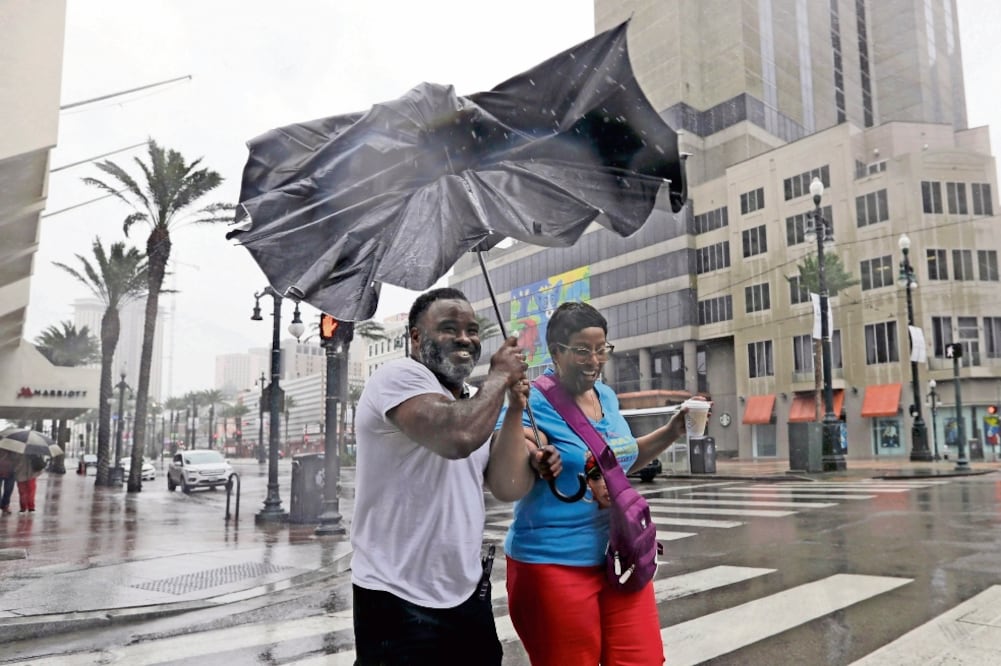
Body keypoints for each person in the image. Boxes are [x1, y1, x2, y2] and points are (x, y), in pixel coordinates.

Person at [350, 287, 561, 666]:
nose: (465, 338)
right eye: (449, 328)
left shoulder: (472, 401)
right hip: (397, 597)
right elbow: (457, 437)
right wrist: (498, 377)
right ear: (415, 337)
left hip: (465, 594)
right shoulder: (398, 377)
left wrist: (515, 412)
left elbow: (506, 487)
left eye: (473, 329)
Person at [494, 301, 693, 666]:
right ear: (556, 352)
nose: (595, 360)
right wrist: (533, 449)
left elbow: (617, 464)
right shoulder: (529, 400)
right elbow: (508, 470)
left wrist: (671, 431)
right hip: (553, 564)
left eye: (602, 350)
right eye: (583, 351)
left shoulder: (608, 397)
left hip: (619, 555)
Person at [0, 450, 16, 515]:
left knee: (8, 490)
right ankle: (2, 505)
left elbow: (18, 459)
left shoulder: (14, 448)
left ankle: (5, 505)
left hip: (10, 472)